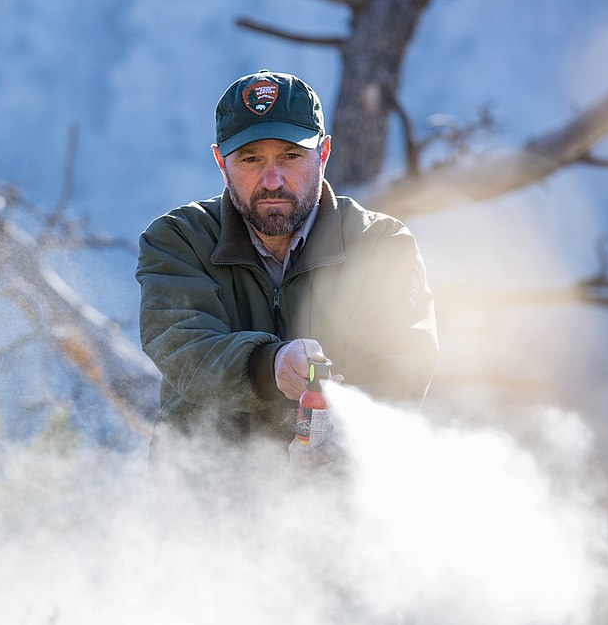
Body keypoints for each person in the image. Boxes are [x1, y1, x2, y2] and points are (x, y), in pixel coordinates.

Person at [135, 70, 439, 472]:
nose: (272, 180)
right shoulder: (179, 239)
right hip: (198, 493)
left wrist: (341, 442)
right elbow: (182, 347)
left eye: (291, 156)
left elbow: (402, 362)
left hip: (337, 493)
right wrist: (271, 364)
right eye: (251, 159)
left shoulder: (380, 243)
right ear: (221, 163)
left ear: (323, 154)